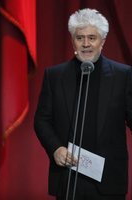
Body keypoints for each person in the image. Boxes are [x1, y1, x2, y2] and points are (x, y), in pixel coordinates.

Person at [34, 8, 132, 200]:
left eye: (92, 38)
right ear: (73, 40)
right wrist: (56, 148)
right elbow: (42, 120)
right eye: (80, 38)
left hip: (108, 179)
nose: (86, 44)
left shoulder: (124, 75)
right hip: (68, 177)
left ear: (102, 41)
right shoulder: (55, 76)